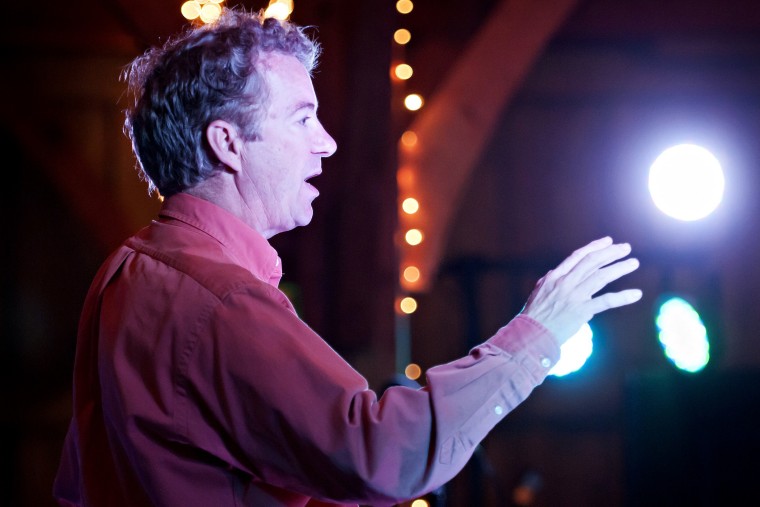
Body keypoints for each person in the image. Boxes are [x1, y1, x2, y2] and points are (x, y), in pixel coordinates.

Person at [54, 8, 642, 507]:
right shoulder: (222, 300)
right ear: (227, 142)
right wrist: (535, 336)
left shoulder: (123, 274)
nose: (326, 142)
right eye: (302, 118)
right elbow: (383, 457)